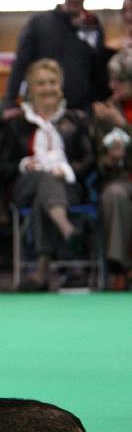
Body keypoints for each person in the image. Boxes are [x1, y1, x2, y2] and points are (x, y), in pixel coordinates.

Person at [0, 59, 95, 291]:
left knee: (45, 192)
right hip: (24, 185)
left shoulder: (76, 120)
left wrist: (66, 170)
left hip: (67, 188)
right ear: (30, 89)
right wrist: (24, 164)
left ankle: (41, 271)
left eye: (52, 82)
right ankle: (67, 231)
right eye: (41, 83)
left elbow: (90, 160)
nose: (48, 88)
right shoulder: (14, 123)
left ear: (61, 86)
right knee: (43, 178)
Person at [4, 0, 108, 112]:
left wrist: (100, 104)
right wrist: (9, 102)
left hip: (79, 114)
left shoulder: (93, 27)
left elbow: (98, 72)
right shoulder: (39, 24)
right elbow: (20, 65)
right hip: (43, 111)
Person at [92, 49, 132, 290]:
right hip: (120, 179)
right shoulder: (104, 112)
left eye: (118, 80)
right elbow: (96, 160)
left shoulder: (115, 117)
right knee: (115, 195)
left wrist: (123, 126)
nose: (111, 85)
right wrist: (108, 159)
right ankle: (121, 268)